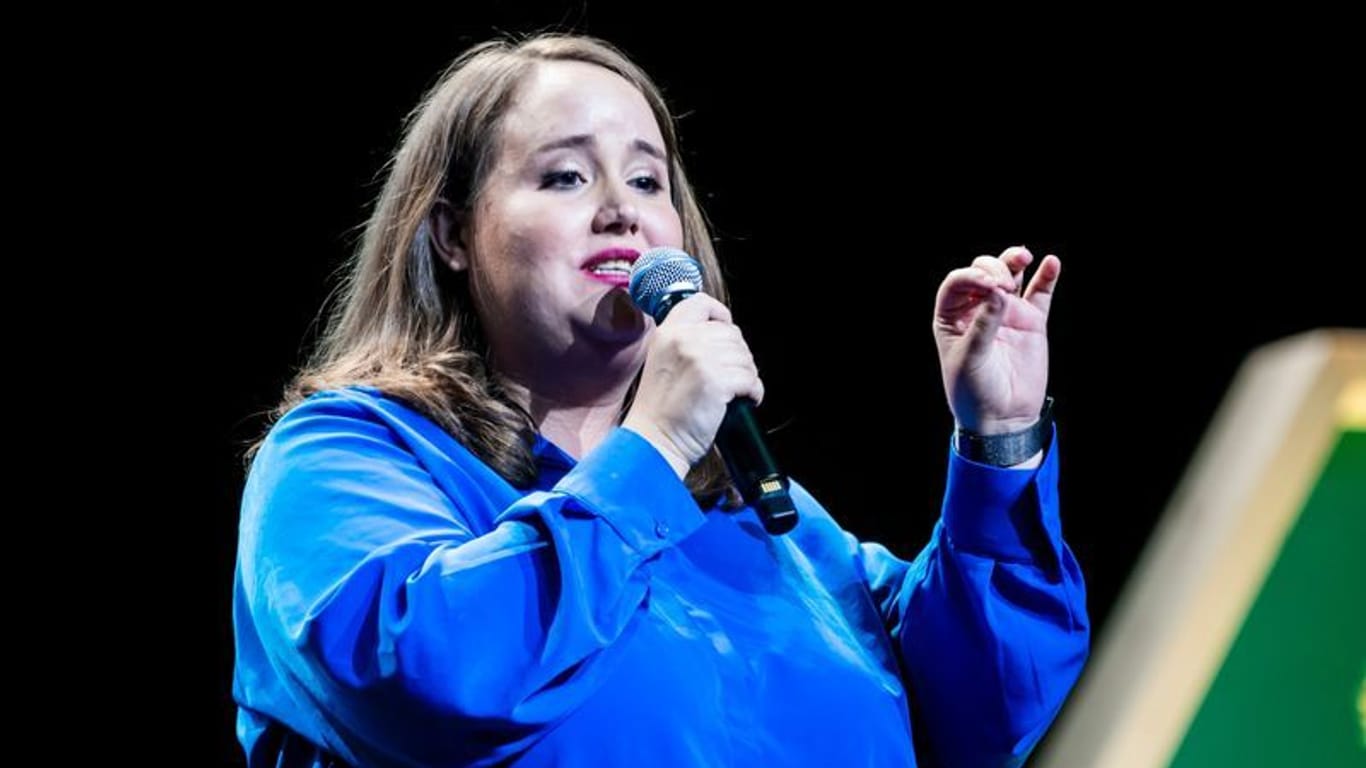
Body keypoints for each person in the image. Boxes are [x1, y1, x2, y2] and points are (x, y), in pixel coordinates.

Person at [232, 32, 1088, 768]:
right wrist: (651, 450)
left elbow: (986, 711)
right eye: (566, 177)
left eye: (648, 183)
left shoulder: (762, 523)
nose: (621, 213)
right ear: (454, 235)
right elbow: (423, 677)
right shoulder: (345, 456)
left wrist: (999, 440)